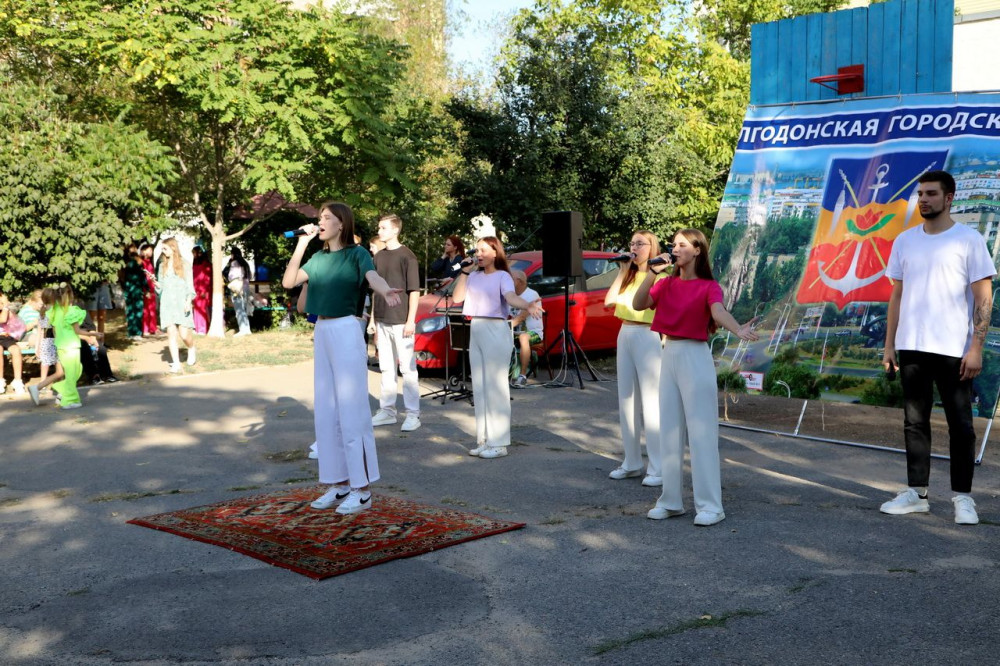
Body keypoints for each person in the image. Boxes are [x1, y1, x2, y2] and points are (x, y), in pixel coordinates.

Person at [879, 170, 995, 525]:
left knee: (961, 425)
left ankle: (963, 498)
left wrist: (976, 348)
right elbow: (897, 295)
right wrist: (889, 345)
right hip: (912, 345)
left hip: (953, 349)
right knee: (914, 422)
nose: (923, 199)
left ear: (949, 198)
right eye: (920, 194)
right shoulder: (905, 241)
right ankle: (917, 494)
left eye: (931, 193)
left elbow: (984, 296)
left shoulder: (969, 240)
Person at [281, 201, 402, 515]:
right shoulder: (318, 258)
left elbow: (372, 277)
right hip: (322, 330)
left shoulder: (357, 254)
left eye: (326, 217)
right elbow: (289, 282)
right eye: (319, 217)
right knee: (326, 410)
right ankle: (338, 483)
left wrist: (385, 290)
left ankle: (362, 490)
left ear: (341, 224)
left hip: (347, 328)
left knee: (351, 410)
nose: (320, 221)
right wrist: (302, 243)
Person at [633, 228, 758, 526]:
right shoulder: (665, 283)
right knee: (669, 431)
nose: (675, 249)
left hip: (695, 356)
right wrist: (651, 273)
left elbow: (717, 312)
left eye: (682, 245)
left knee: (701, 434)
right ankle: (670, 501)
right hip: (669, 354)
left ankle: (711, 506)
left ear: (697, 250)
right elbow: (638, 304)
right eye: (673, 244)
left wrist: (737, 328)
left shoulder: (708, 286)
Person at [451, 236, 543, 459]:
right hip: (476, 328)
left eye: (484, 250)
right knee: (480, 386)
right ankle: (484, 439)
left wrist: (528, 305)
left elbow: (510, 297)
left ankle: (499, 443)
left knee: (496, 386)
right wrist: (464, 272)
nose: (479, 254)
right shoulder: (472, 276)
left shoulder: (503, 276)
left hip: (495, 329)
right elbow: (457, 298)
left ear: (495, 253)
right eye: (477, 250)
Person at [603, 231, 667, 487]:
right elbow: (609, 301)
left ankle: (658, 467)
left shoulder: (661, 276)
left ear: (652, 247)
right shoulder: (628, 275)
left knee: (651, 402)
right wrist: (622, 270)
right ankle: (631, 462)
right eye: (632, 243)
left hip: (648, 334)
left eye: (640, 243)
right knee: (626, 399)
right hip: (625, 332)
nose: (634, 247)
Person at [370, 213, 422, 432]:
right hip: (382, 319)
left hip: (401, 321)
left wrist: (411, 320)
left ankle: (413, 414)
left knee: (407, 369)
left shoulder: (408, 256)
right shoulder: (378, 257)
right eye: (379, 227)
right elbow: (375, 290)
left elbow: (414, 291)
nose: (379, 231)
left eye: (383, 228)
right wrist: (373, 319)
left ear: (395, 230)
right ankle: (387, 411)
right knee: (386, 368)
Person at [42, 283, 96, 409]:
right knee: (72, 374)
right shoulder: (71, 311)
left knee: (76, 370)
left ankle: (61, 388)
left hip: (61, 346)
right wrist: (93, 334)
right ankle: (69, 400)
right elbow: (77, 331)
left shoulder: (54, 311)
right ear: (70, 295)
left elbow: (55, 330)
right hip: (71, 346)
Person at [154, 238, 197, 373]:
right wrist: (157, 285)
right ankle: (176, 363)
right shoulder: (162, 265)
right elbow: (161, 288)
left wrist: (188, 301)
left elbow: (190, 285)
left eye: (165, 248)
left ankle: (191, 348)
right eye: (162, 249)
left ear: (173, 248)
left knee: (184, 335)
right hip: (167, 303)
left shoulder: (185, 264)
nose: (163, 251)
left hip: (182, 302)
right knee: (171, 334)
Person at [509, 269, 543, 388]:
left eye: (510, 279)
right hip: (514, 331)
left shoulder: (532, 295)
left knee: (523, 337)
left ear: (518, 281)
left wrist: (501, 328)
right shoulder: (510, 295)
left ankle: (522, 376)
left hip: (533, 333)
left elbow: (521, 318)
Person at [0, 291, 27, 395]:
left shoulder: (6, 309)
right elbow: (2, 319)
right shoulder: (5, 310)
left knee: (16, 350)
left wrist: (7, 307)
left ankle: (17, 381)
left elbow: (15, 322)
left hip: (6, 337)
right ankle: (0, 380)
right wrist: (5, 307)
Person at [225, 247, 252, 337]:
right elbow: (249, 276)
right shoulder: (245, 263)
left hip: (237, 288)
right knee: (244, 309)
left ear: (233, 254)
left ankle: (243, 329)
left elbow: (231, 276)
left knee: (239, 309)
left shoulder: (234, 263)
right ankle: (247, 329)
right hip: (246, 288)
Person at [122, 244, 146, 340]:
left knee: (131, 311)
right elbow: (142, 276)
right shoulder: (138, 262)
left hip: (130, 288)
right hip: (135, 289)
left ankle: (132, 333)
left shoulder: (125, 262)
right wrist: (146, 288)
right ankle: (136, 333)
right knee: (136, 311)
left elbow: (122, 277)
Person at [191, 244, 212, 335]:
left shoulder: (206, 264)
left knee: (202, 309)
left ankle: (203, 329)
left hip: (203, 290)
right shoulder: (195, 263)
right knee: (196, 309)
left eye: (194, 253)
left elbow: (207, 278)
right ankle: (197, 327)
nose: (194, 255)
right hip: (196, 289)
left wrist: (204, 290)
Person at [139, 242, 159, 336]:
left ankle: (153, 328)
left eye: (152, 250)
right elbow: (142, 276)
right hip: (145, 288)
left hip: (151, 287)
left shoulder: (149, 262)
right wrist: (146, 289)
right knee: (146, 309)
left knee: (152, 308)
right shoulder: (141, 262)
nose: (151, 252)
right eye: (149, 250)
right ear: (143, 251)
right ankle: (145, 329)